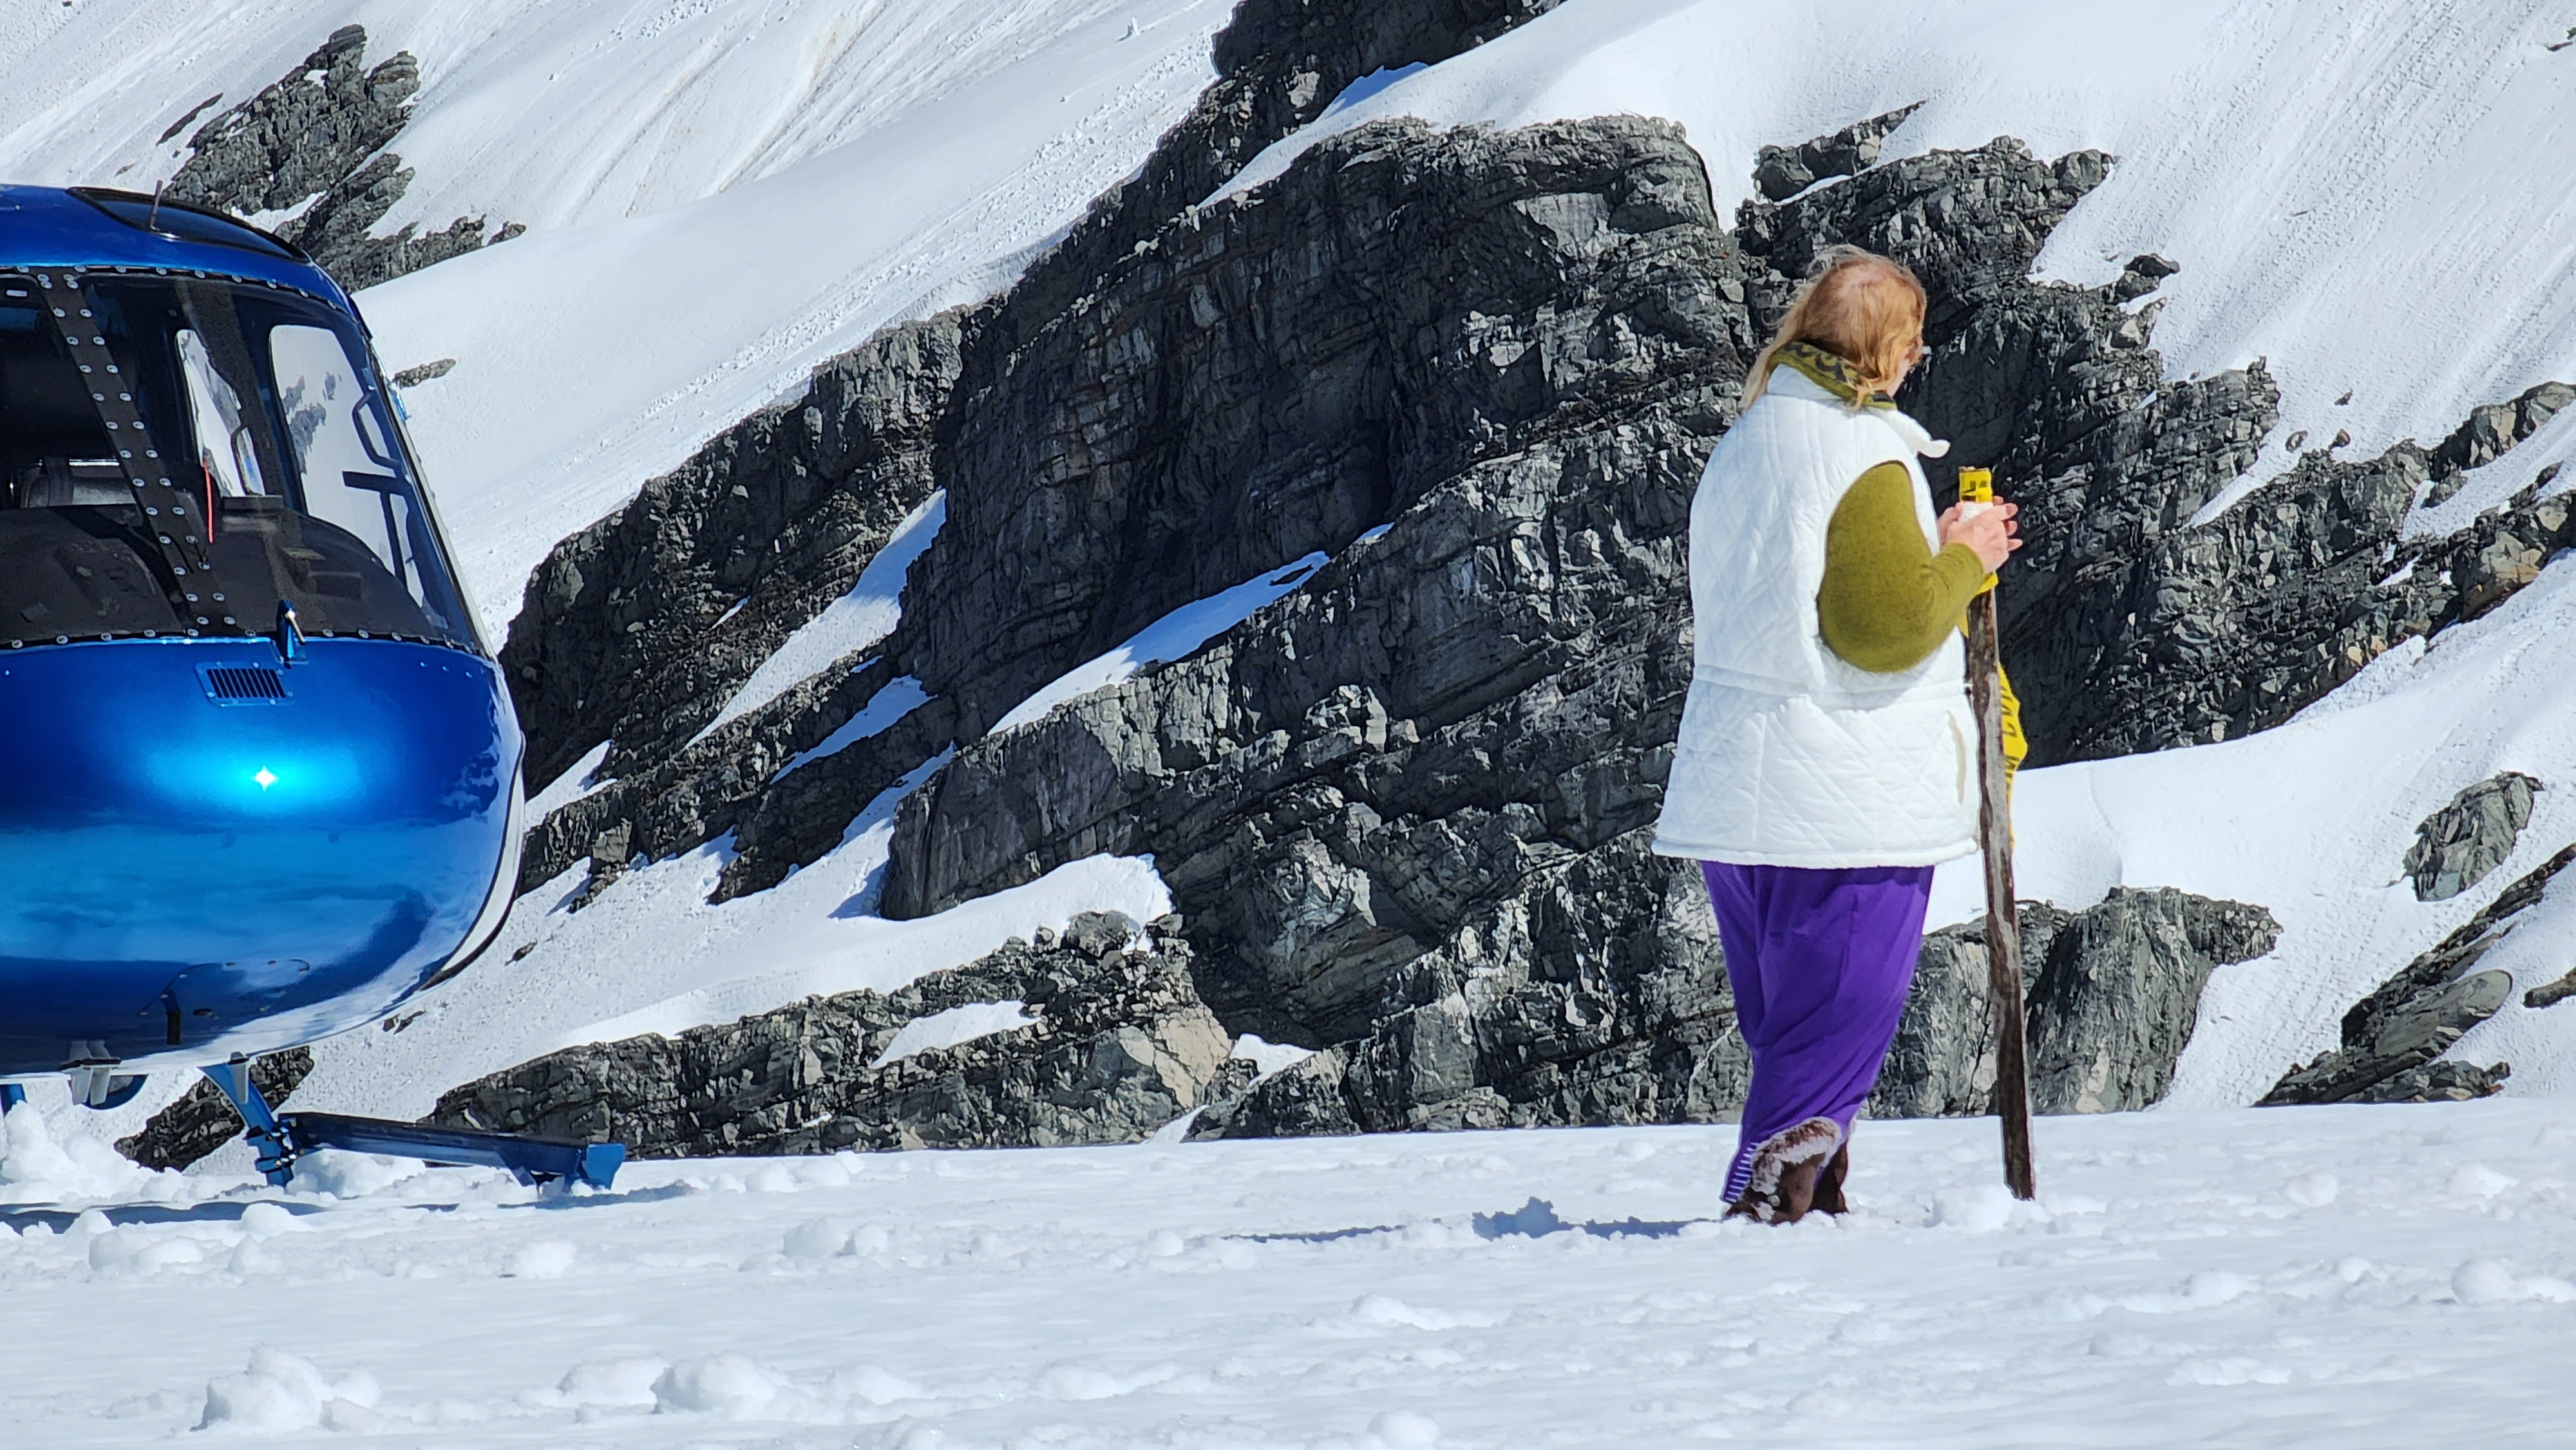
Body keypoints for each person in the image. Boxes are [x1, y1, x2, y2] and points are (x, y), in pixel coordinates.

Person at [1652, 245, 2023, 1225]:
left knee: (1795, 1027)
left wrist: (1928, 547)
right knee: (1838, 1018)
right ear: (1881, 351)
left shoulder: (1750, 438)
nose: (1919, 357)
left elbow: (1798, 589)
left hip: (1743, 782)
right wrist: (1966, 560)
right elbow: (1883, 630)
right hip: (1842, 794)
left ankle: (1812, 1213)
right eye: (1912, 340)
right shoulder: (1860, 451)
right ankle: (1769, 1206)